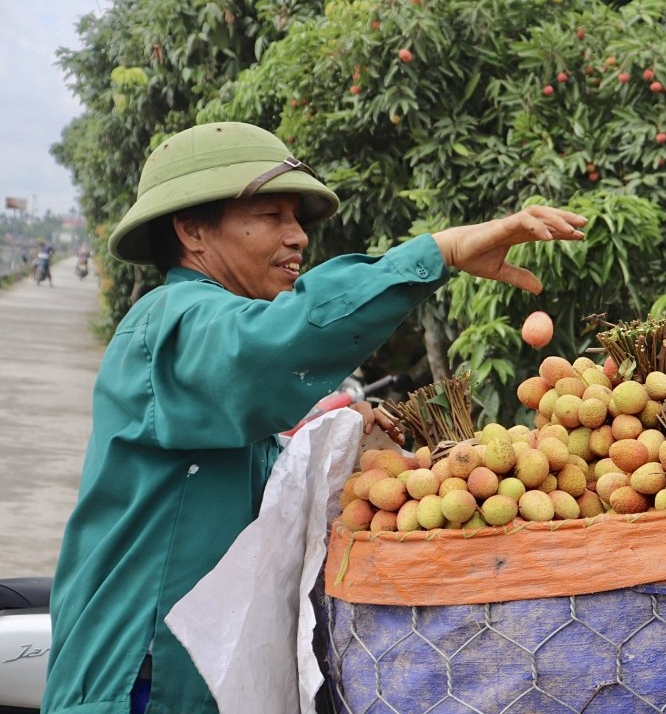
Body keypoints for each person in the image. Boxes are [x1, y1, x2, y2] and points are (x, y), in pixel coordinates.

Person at [42, 121, 586, 713]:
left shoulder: (209, 334)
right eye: (273, 216)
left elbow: (247, 486)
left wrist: (345, 435)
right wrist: (442, 251)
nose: (298, 236)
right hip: (139, 683)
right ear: (193, 230)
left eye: (297, 219)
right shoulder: (172, 321)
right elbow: (274, 346)